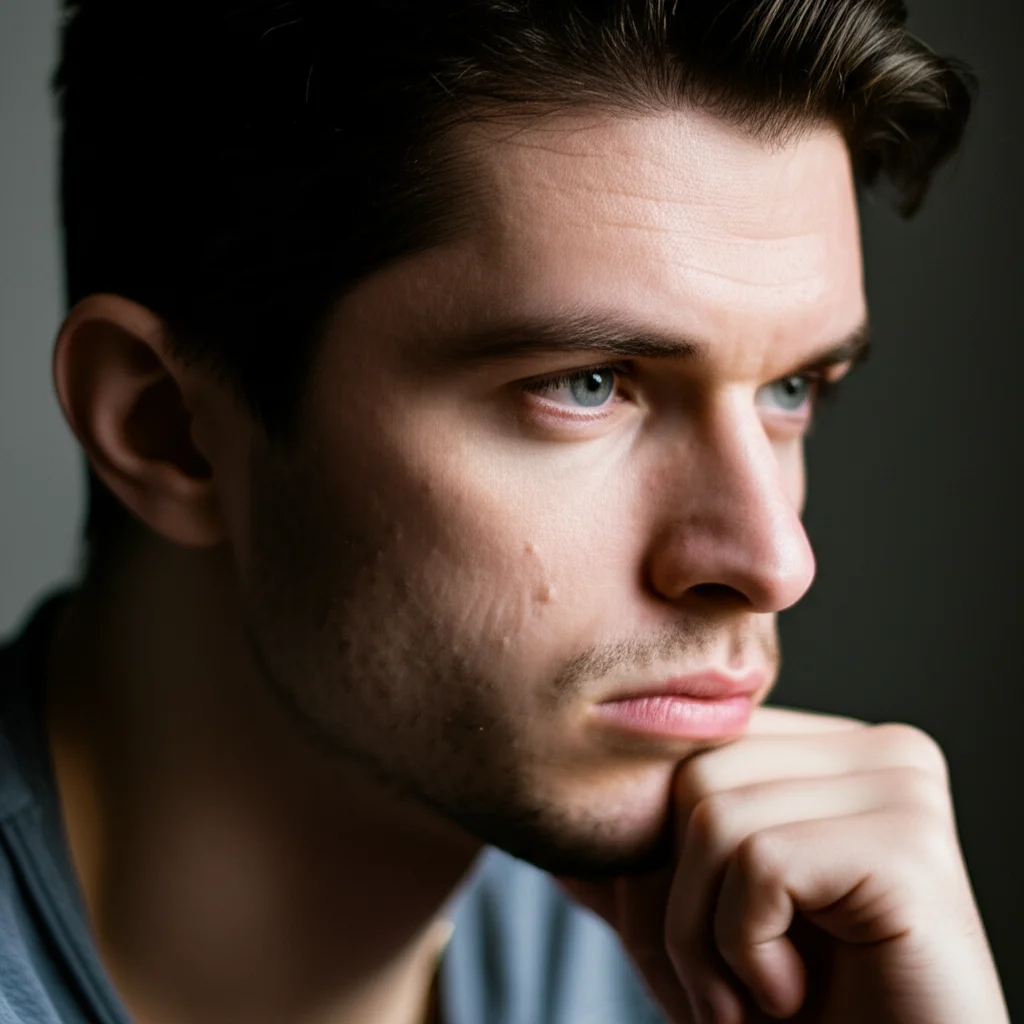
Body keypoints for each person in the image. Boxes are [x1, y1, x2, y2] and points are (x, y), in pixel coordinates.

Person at [0, 0, 1009, 1021]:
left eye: (791, 390)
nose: (772, 560)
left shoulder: (756, 968)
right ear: (168, 428)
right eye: (586, 384)